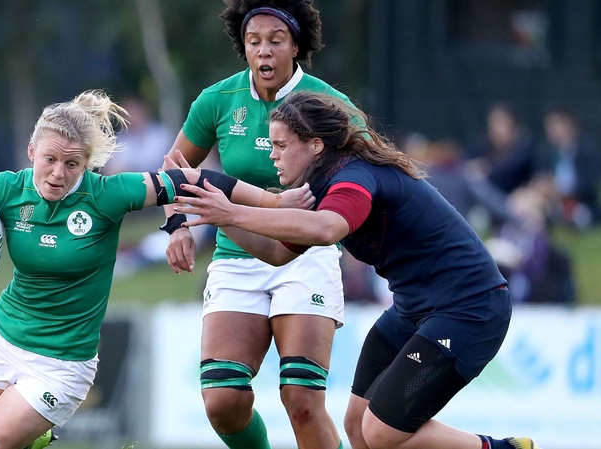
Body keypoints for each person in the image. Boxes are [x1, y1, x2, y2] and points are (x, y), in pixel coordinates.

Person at [0, 89, 307, 449]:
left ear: (87, 164)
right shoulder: (6, 188)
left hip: (61, 366)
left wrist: (276, 204)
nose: (57, 173)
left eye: (72, 164)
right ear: (32, 150)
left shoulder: (106, 196)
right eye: (50, 159)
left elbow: (195, 179)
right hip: (2, 340)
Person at [173, 91, 541, 449]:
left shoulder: (354, 176)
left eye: (281, 146)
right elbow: (275, 253)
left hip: (469, 309)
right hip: (414, 309)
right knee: (357, 425)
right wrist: (217, 214)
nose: (273, 156)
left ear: (315, 145)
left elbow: (327, 229)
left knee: (381, 432)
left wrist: (234, 212)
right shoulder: (319, 187)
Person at [161, 2, 360, 448]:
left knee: (302, 399)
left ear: (295, 45)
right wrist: (176, 224)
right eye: (254, 42)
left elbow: (373, 166)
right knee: (222, 402)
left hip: (305, 255)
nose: (263, 52)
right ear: (243, 48)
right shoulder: (217, 101)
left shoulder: (329, 105)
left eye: (275, 40)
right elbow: (173, 169)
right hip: (238, 256)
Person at [537, 105, 600, 229]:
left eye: (555, 125)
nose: (551, 130)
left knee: (580, 214)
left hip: (578, 202)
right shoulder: (547, 152)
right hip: (552, 202)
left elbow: (589, 184)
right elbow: (540, 177)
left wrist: (562, 191)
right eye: (549, 126)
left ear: (569, 125)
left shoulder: (585, 151)